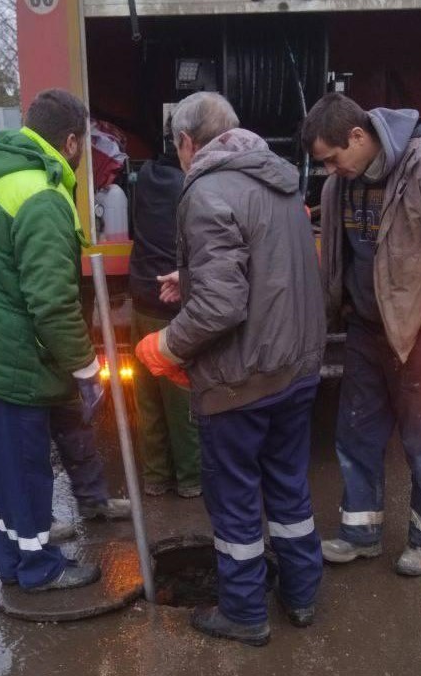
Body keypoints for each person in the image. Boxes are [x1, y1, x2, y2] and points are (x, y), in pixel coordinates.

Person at [136, 92, 326, 646]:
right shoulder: (281, 180)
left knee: (237, 500)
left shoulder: (208, 190)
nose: (179, 158)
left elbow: (223, 307)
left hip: (240, 381)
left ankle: (244, 612)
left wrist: (166, 347)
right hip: (296, 368)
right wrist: (190, 278)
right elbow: (265, 265)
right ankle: (301, 594)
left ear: (189, 142)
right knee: (289, 488)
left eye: (178, 148)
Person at [0, 89, 127, 593]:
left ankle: (13, 559)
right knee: (24, 468)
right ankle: (38, 568)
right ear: (72, 141)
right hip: (4, 361)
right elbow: (52, 304)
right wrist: (85, 369)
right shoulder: (41, 194)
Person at [300, 93, 421, 577]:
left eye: (333, 158)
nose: (331, 170)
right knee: (356, 436)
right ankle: (361, 534)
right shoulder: (340, 186)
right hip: (363, 330)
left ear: (358, 136)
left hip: (418, 336)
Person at [129, 128, 201, 499]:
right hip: (171, 306)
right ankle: (190, 481)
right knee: (180, 400)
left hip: (140, 300)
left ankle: (156, 478)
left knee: (149, 402)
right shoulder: (188, 187)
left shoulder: (144, 179)